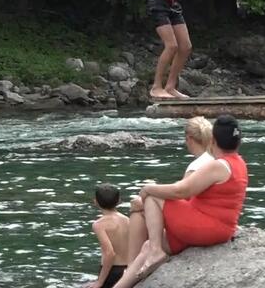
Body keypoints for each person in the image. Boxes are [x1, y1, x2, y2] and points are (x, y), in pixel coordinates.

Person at [115, 115, 248, 288]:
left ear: (213, 141)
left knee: (154, 196)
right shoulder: (239, 163)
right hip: (214, 227)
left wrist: (148, 188)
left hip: (205, 226)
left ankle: (156, 251)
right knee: (146, 246)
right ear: (238, 142)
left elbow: (181, 191)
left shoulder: (219, 165)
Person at [127, 116, 213, 260]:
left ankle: (130, 264)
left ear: (189, 139)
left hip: (191, 227)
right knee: (144, 205)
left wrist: (142, 202)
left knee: (137, 213)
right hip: (204, 218)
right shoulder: (214, 160)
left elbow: (183, 197)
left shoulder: (196, 166)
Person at [85, 184, 130, 288]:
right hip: (128, 269)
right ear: (119, 201)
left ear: (95, 202)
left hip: (112, 272)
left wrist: (99, 282)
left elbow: (109, 253)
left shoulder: (99, 224)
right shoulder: (128, 220)